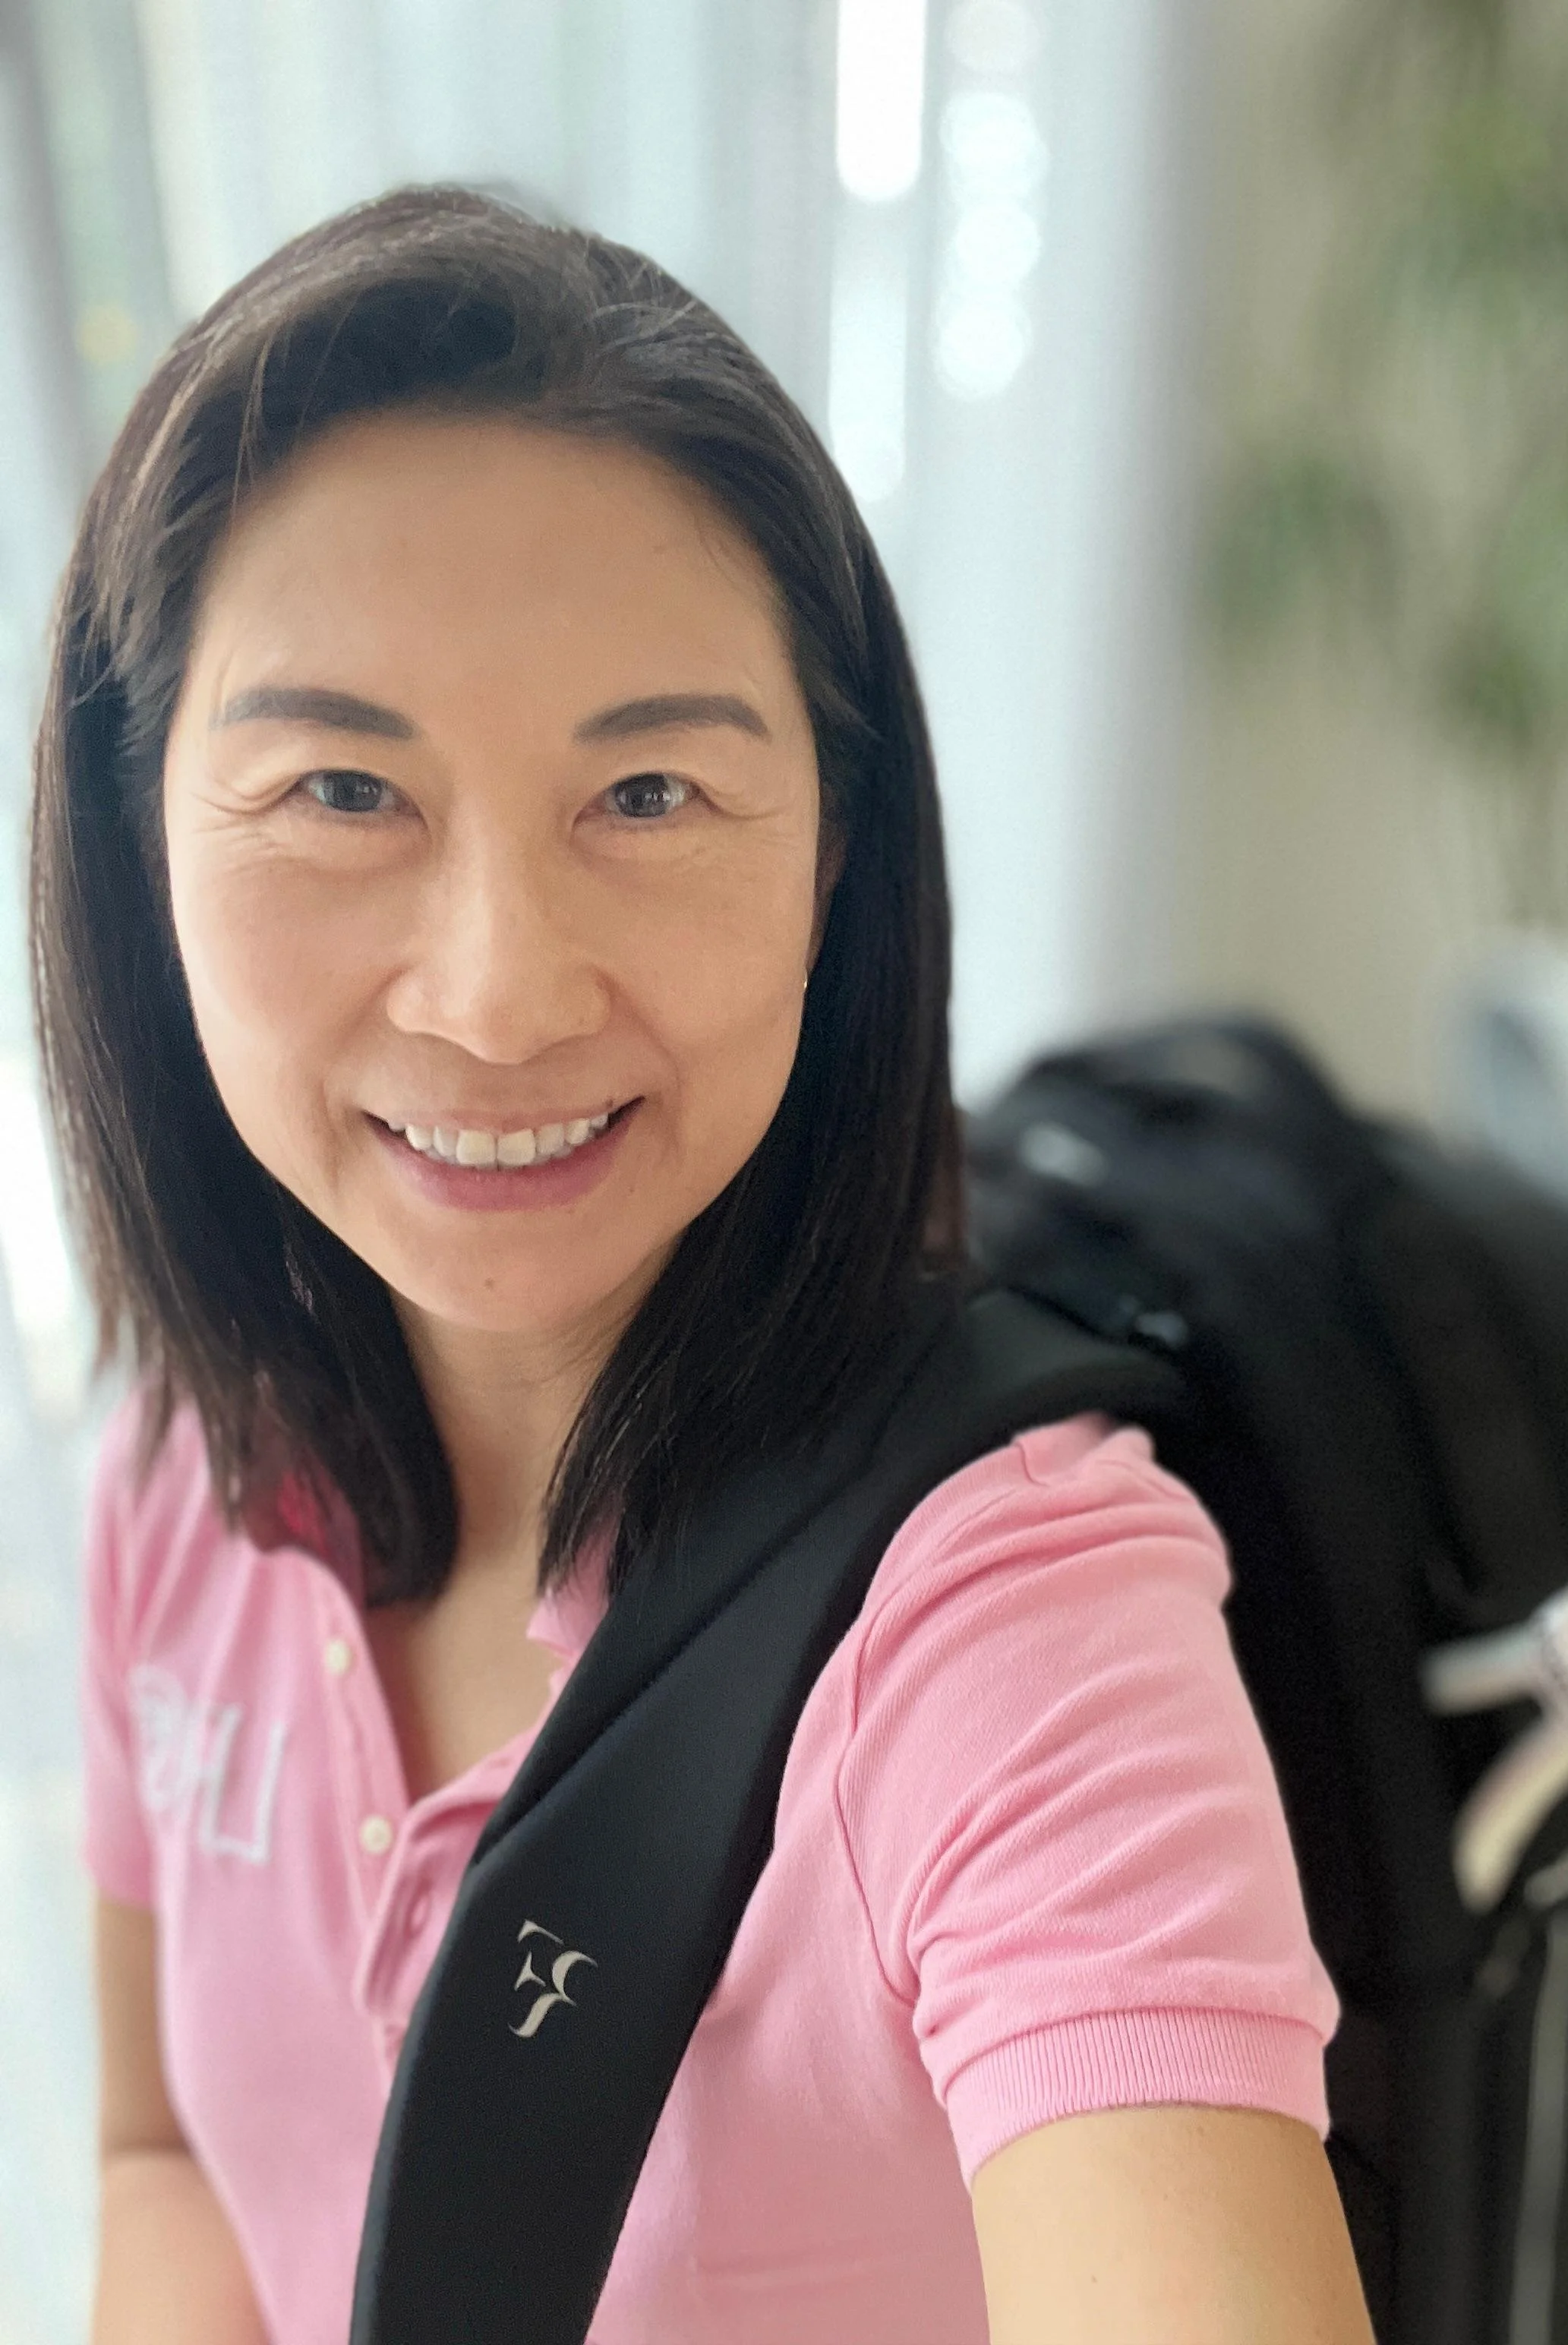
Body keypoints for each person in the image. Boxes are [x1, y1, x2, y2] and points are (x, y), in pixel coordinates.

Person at [32, 187, 1372, 2344]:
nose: (492, 996)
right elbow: (160, 2153)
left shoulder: (1011, 1617)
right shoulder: (175, 1481)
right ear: (135, 846)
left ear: (836, 857)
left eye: (646, 791)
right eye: (342, 787)